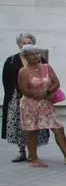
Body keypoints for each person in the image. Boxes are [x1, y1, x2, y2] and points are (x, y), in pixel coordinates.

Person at [17, 46, 66, 167]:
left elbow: (56, 82)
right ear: (25, 57)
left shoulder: (46, 67)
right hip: (31, 105)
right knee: (33, 131)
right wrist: (41, 95)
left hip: (46, 103)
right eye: (31, 54)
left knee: (58, 128)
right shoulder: (23, 71)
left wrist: (47, 93)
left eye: (37, 53)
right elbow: (24, 90)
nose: (35, 56)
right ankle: (34, 159)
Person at [4, 33, 46, 162]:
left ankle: (32, 152)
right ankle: (21, 151)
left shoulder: (40, 60)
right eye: (23, 43)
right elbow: (6, 80)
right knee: (19, 125)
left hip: (36, 97)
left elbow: (46, 77)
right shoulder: (11, 60)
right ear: (19, 44)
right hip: (17, 97)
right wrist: (11, 96)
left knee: (33, 125)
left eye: (29, 43)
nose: (26, 45)